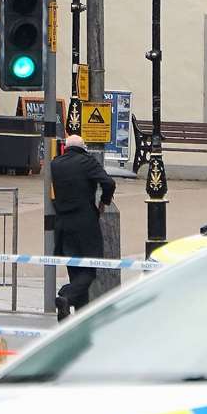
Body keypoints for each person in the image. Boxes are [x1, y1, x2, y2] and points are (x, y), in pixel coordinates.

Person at [50, 134, 115, 320]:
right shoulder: (87, 162)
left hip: (63, 224)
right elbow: (109, 183)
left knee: (75, 270)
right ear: (83, 148)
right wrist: (104, 201)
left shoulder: (55, 164)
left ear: (66, 148)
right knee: (89, 270)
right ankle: (66, 296)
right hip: (85, 224)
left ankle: (80, 315)